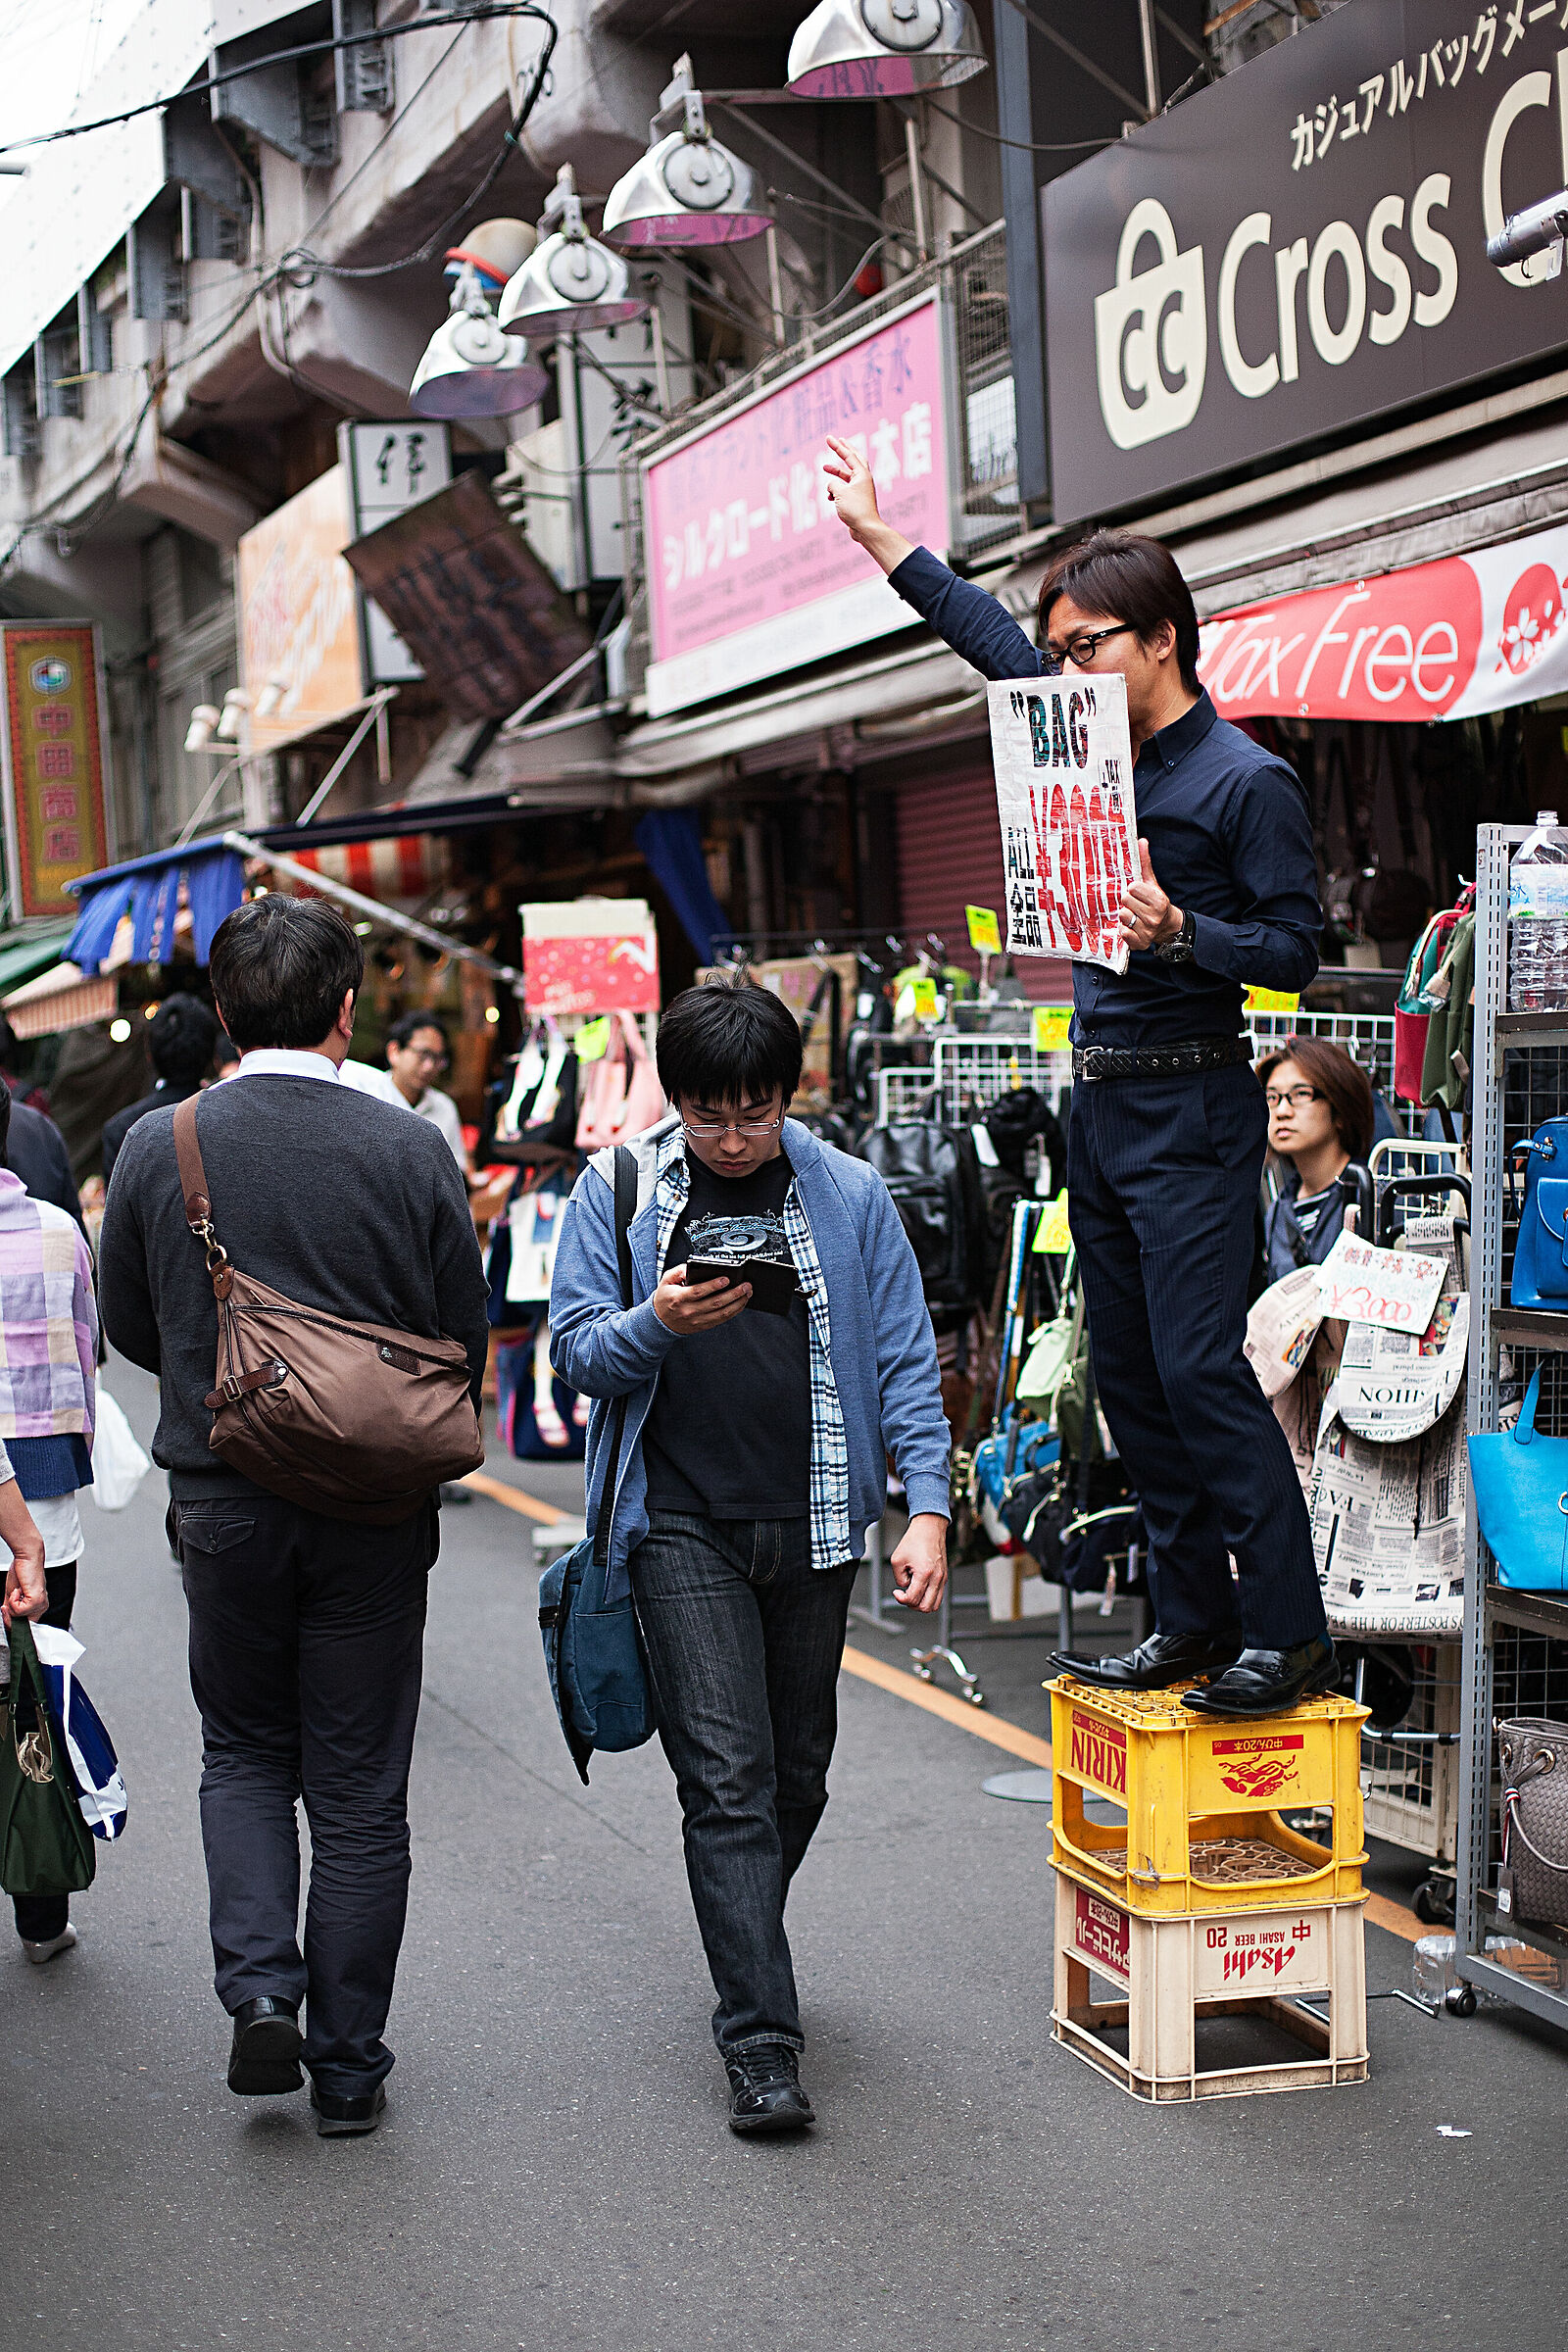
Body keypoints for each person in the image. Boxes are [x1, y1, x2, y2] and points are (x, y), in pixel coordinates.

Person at [823, 436, 1333, 1719]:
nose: (1066, 665)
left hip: (1194, 1095)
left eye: (1090, 642)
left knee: (1205, 1371)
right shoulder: (1077, 735)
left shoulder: (1246, 780)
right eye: (1060, 648)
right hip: (1095, 1102)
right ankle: (1191, 1623)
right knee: (1136, 1378)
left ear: (1163, 638)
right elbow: (989, 641)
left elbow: (1294, 950)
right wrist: (885, 540)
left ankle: (1290, 1634)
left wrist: (1184, 936)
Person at [99, 898, 489, 2137]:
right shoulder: (409, 1148)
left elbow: (128, 1327)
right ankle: (351, 2065)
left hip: (224, 1501)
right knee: (363, 1788)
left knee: (245, 1752)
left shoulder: (166, 1145)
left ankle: (262, 1985)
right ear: (344, 1014)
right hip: (375, 1509)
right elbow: (459, 1340)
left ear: (220, 1015)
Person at [550, 973, 951, 2136]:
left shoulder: (849, 1192)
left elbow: (903, 1359)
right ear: (673, 1100)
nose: (732, 1138)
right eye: (709, 1114)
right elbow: (576, 1351)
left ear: (790, 1096)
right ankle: (760, 2042)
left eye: (755, 1112)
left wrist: (926, 1507)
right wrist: (655, 1325)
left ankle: (742, 1936)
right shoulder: (617, 1186)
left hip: (817, 1521)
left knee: (797, 1775)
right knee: (724, 1784)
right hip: (673, 1521)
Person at [0, 1077, 100, 1962]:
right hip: (44, 1496)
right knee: (34, 1695)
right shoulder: (58, 1231)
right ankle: (41, 1911)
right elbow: (88, 1348)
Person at [1258, 1039, 1375, 1284]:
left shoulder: (1372, 1199)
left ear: (1340, 1109)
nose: (1282, 1111)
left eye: (1301, 1094)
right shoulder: (1278, 1212)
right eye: (1271, 1097)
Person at [101, 995, 220, 1188]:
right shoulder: (231, 1115)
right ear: (212, 1053)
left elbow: (116, 1215)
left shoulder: (121, 1130)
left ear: (149, 1054)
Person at [340, 1011, 468, 1173]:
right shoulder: (368, 1096)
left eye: (437, 1058)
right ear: (394, 1052)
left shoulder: (445, 1107)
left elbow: (456, 1169)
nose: (429, 1066)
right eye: (423, 1055)